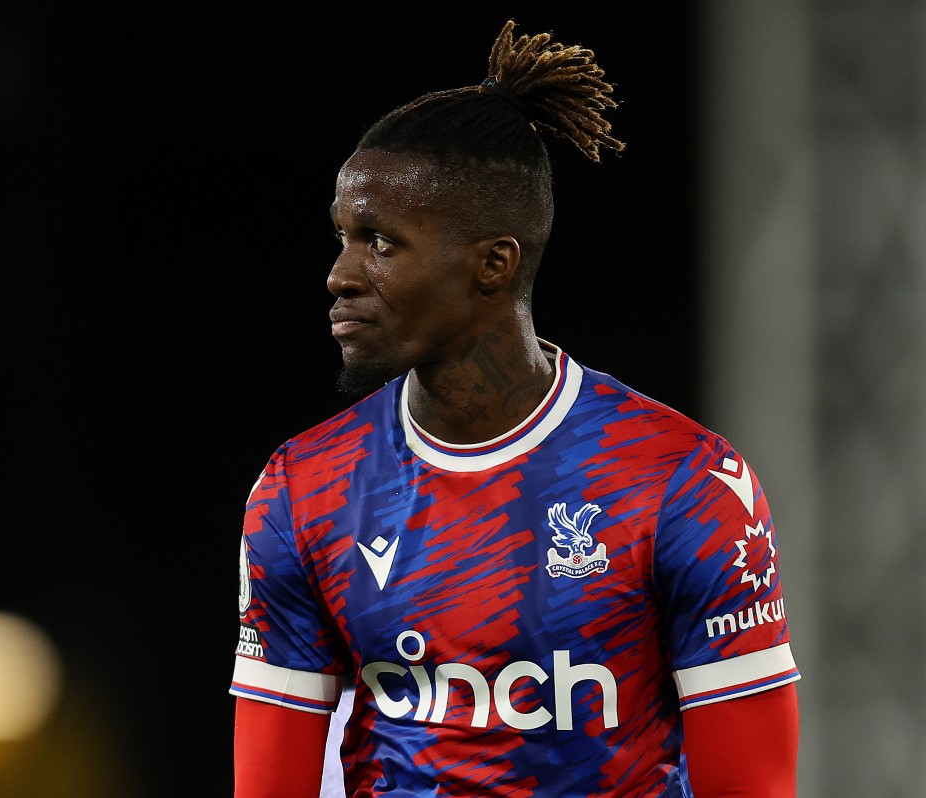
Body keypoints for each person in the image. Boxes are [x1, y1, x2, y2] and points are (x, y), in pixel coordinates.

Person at [230, 18, 800, 798]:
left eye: (381, 242)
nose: (340, 273)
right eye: (342, 236)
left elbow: (753, 788)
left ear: (493, 264)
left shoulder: (684, 486)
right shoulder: (303, 491)